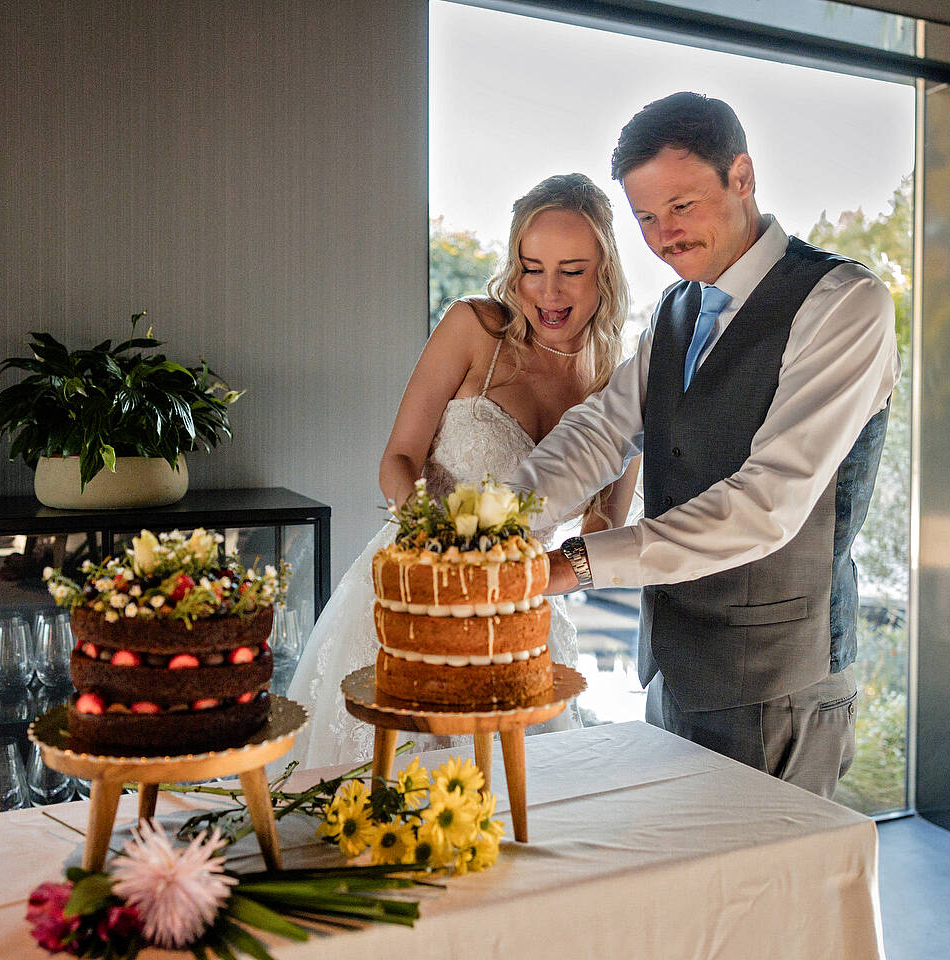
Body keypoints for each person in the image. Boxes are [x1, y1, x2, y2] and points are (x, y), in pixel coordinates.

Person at [512, 93, 899, 800]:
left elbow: (765, 505)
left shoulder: (844, 304)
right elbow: (604, 427)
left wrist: (570, 566)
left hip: (779, 685)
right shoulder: (674, 308)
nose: (664, 236)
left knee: (773, 904)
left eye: (681, 206)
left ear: (742, 177)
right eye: (646, 217)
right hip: (671, 667)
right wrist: (504, 511)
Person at [288, 173, 641, 771]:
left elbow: (603, 527)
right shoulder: (475, 329)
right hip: (411, 600)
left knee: (512, 815)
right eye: (532, 268)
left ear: (605, 271)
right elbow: (398, 458)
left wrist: (545, 567)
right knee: (380, 803)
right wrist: (436, 539)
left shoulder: (620, 382)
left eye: (572, 270)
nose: (548, 292)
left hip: (520, 624)